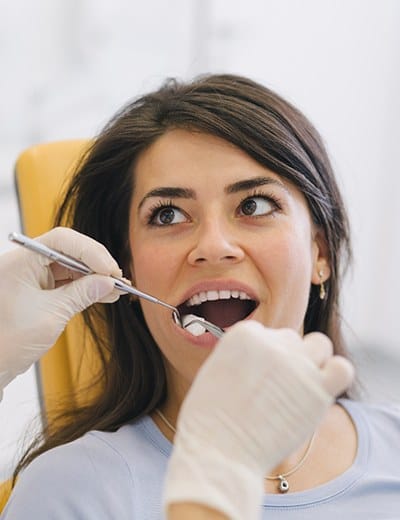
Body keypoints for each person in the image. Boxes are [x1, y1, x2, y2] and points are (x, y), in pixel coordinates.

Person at [0, 73, 398, 518]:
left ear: (319, 252)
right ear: (126, 271)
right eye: (167, 215)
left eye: (254, 205)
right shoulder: (71, 491)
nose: (212, 246)